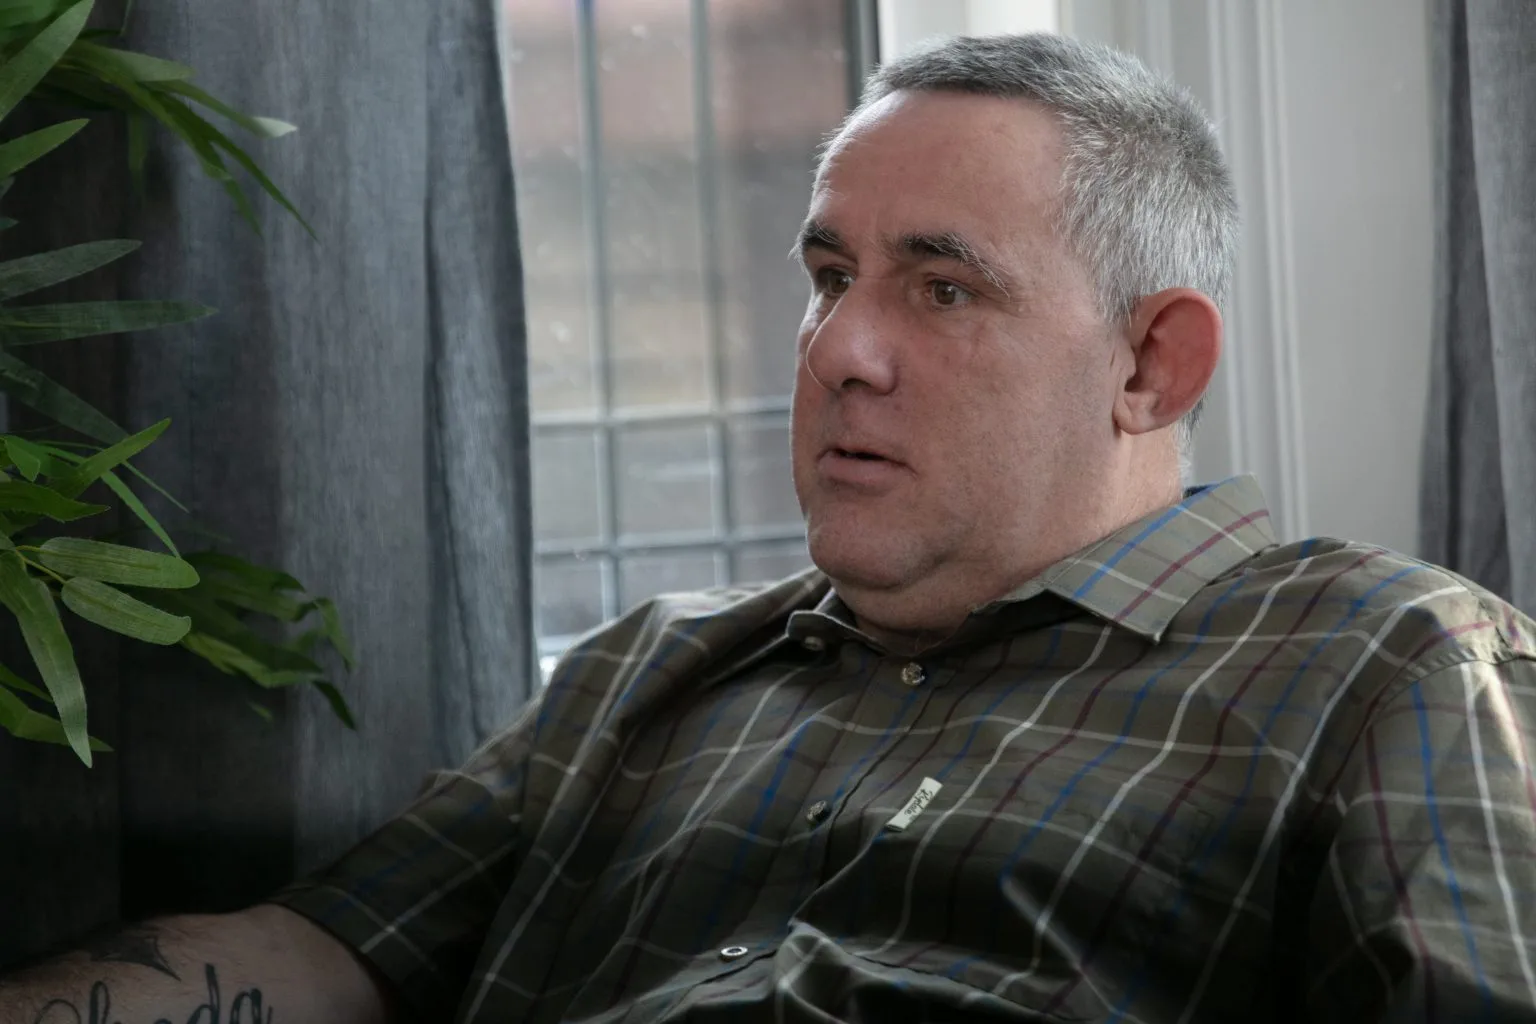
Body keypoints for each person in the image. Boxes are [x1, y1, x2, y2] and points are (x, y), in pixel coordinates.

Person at [5, 31, 1535, 1024]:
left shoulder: (1385, 664)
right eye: (828, 279)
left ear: (1151, 365)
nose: (837, 350)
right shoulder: (647, 674)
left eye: (942, 287)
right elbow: (326, 951)